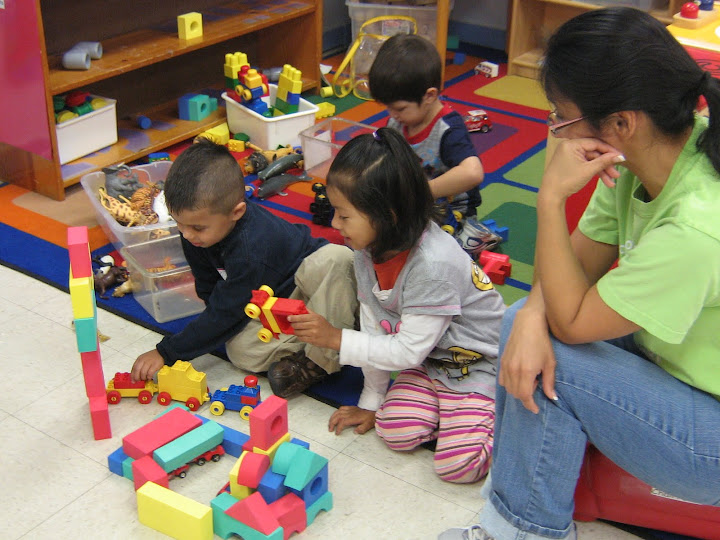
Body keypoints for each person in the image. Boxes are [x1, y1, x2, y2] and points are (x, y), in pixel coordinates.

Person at [440, 7, 720, 540]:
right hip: (677, 359)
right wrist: (528, 320)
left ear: (621, 122)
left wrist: (550, 196)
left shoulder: (696, 229)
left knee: (554, 353)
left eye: (561, 118)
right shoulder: (654, 152)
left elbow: (569, 323)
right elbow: (574, 266)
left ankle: (520, 531)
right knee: (524, 321)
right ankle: (520, 514)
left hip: (710, 439)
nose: (554, 131)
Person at [285, 127, 506, 483]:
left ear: (387, 215)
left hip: (478, 366)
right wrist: (372, 401)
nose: (333, 223)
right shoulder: (367, 248)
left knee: (458, 468)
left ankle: (494, 411)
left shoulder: (432, 266)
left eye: (343, 215)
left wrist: (337, 339)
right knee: (395, 432)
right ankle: (447, 411)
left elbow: (404, 352)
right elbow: (375, 325)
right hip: (429, 360)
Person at [130, 140, 358, 398]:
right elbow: (209, 288)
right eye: (179, 223)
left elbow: (227, 311)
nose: (186, 233)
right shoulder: (194, 231)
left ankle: (320, 359)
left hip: (308, 280)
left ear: (237, 211)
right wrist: (215, 318)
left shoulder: (251, 248)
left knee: (337, 259)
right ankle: (335, 329)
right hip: (270, 298)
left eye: (197, 227)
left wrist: (166, 351)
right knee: (241, 352)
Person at [368, 33, 498, 254]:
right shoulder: (397, 121)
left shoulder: (448, 129)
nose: (392, 115)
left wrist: (423, 192)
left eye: (399, 108)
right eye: (387, 108)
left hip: (449, 211)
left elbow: (473, 173)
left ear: (429, 96)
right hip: (411, 205)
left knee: (430, 255)